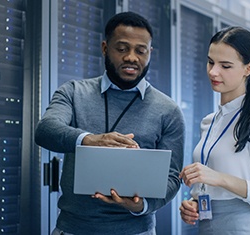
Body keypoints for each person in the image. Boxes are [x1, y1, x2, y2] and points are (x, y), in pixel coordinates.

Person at [35, 11, 185, 235]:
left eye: (140, 51)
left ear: (149, 53)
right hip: (73, 229)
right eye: (122, 49)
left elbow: (172, 177)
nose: (131, 57)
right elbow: (45, 131)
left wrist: (141, 205)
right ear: (105, 48)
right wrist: (89, 139)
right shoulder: (74, 92)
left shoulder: (168, 110)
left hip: (137, 231)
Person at [179, 26, 250, 234]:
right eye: (211, 62)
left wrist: (220, 178)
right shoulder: (209, 121)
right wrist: (194, 204)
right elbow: (211, 185)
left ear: (248, 69)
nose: (214, 72)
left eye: (226, 66)